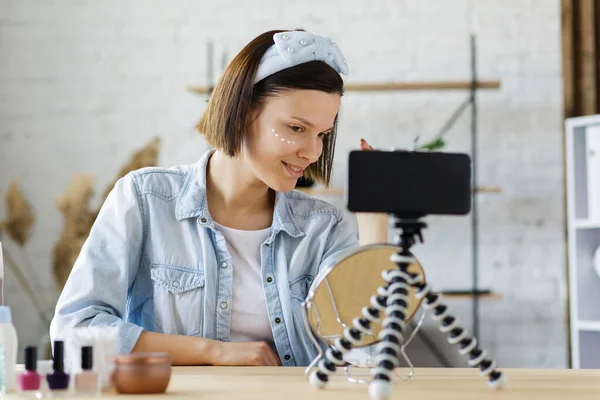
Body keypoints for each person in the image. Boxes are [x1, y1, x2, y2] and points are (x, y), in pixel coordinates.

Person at [50, 29, 375, 367]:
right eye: (296, 128)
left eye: (322, 134)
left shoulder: (323, 229)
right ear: (244, 111)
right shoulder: (146, 201)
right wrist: (212, 352)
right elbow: (73, 331)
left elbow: (366, 357)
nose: (312, 151)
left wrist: (373, 222)